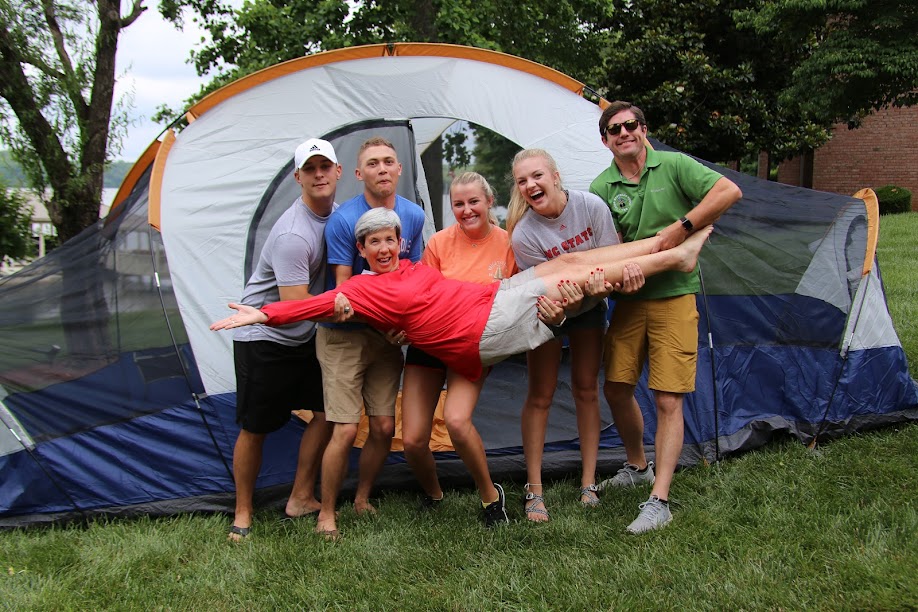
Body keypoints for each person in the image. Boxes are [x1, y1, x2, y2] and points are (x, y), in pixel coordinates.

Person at [211, 207, 713, 397]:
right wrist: (264, 313)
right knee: (570, 281)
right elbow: (312, 305)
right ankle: (676, 259)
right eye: (373, 243)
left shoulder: (410, 267)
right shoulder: (360, 290)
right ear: (360, 250)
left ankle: (656, 245)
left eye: (390, 240)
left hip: (490, 299)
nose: (384, 249)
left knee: (568, 262)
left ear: (400, 242)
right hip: (482, 329)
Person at [589, 100, 743, 534]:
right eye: (615, 129)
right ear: (605, 141)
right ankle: (638, 465)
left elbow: (728, 192)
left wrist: (682, 228)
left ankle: (659, 500)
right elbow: (609, 248)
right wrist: (617, 281)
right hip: (630, 300)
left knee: (667, 398)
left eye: (631, 125)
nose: (624, 133)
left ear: (643, 129)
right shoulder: (601, 187)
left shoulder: (674, 166)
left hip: (674, 296)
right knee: (616, 387)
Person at [398, 171, 576, 527]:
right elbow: (420, 295)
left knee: (456, 420)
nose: (466, 210)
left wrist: (558, 315)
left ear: (489, 201)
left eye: (473, 202)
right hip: (432, 342)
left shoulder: (510, 243)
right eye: (458, 204)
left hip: (474, 344)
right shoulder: (439, 244)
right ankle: (434, 494)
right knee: (413, 440)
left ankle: (490, 496)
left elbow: (527, 295)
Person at [506, 148, 643, 522]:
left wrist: (601, 289)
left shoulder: (591, 206)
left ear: (555, 176)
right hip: (549, 312)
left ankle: (588, 483)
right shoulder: (524, 234)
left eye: (537, 176)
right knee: (540, 394)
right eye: (522, 181)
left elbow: (612, 263)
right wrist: (559, 308)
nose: (531, 185)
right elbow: (543, 292)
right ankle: (534, 489)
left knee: (586, 388)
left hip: (591, 306)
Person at [227, 138, 342, 541]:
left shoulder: (340, 218)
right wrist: (345, 307)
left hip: (305, 335)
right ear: (298, 177)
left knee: (328, 413)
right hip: (264, 335)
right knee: (255, 427)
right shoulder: (294, 233)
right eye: (310, 169)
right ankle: (243, 511)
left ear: (338, 171)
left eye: (324, 166)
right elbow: (294, 304)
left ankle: (300, 496)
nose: (319, 174)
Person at [313, 136, 426, 539]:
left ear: (399, 169)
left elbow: (413, 276)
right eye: (373, 163)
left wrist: (406, 326)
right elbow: (344, 291)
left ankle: (362, 498)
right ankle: (327, 513)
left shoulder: (413, 215)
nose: (382, 169)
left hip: (387, 339)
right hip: (344, 336)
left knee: (382, 426)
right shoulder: (344, 221)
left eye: (388, 161)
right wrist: (384, 321)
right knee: (345, 429)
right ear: (360, 173)